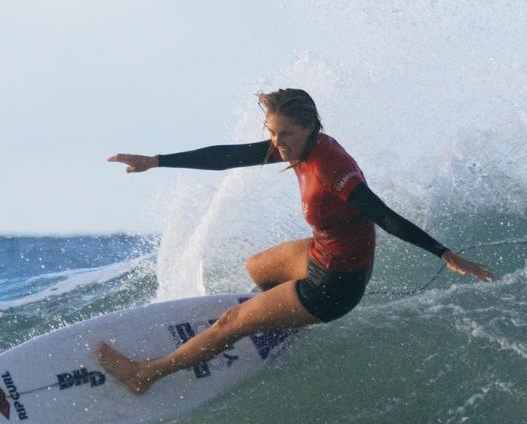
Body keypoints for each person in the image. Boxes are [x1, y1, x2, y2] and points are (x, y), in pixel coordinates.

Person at [97, 88, 493, 395]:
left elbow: (382, 214)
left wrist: (446, 254)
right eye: (272, 133)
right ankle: (280, 318)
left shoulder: (332, 170)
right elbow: (229, 157)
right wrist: (157, 161)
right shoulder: (301, 144)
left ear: (310, 127)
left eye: (285, 133)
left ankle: (143, 374)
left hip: (333, 285)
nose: (278, 143)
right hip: (320, 253)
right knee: (256, 267)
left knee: (231, 323)